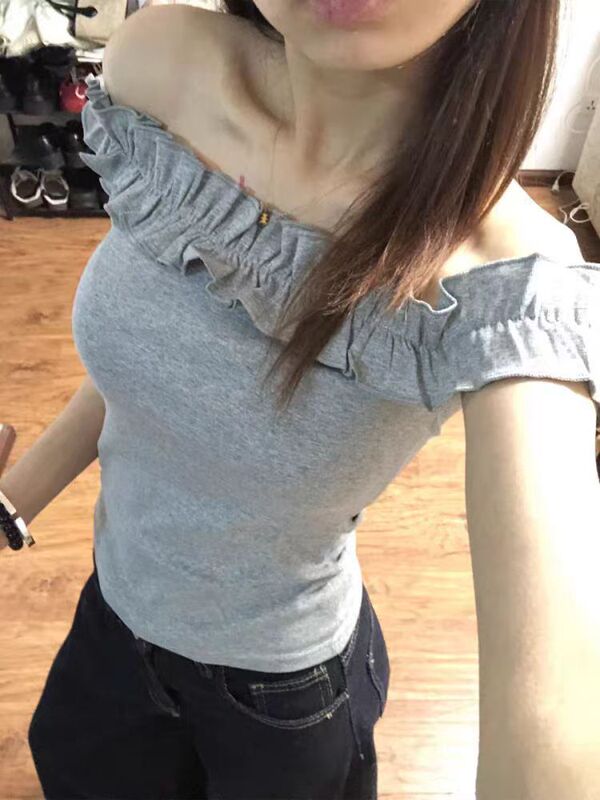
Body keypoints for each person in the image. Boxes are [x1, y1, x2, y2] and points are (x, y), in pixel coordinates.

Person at [3, 1, 599, 798]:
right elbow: (153, 379)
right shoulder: (161, 69)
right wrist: (13, 498)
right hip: (113, 622)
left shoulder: (505, 281)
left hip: (279, 696)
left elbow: (556, 730)